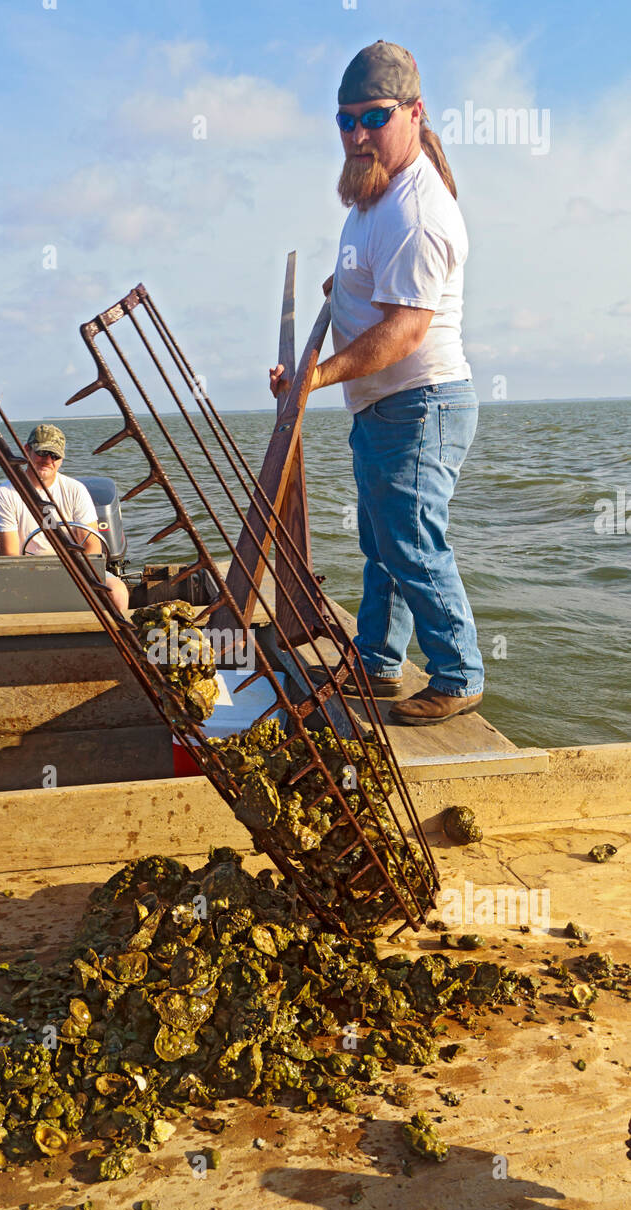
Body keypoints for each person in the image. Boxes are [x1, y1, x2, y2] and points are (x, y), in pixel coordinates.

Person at [270, 40, 483, 727]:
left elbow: (403, 334)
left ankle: (457, 674)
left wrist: (313, 378)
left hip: (420, 405)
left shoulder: (416, 211)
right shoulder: (374, 191)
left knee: (412, 542)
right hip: (387, 408)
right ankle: (379, 660)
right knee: (383, 541)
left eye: (374, 116)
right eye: (346, 119)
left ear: (414, 114)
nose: (357, 133)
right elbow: (371, 274)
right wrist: (347, 279)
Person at [0, 423, 130, 614]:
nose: (48, 460)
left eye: (55, 455)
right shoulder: (6, 494)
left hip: (77, 570)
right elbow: (11, 557)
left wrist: (74, 578)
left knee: (118, 592)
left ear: (61, 459)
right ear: (27, 450)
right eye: (43, 452)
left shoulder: (76, 490)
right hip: (27, 573)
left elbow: (92, 548)